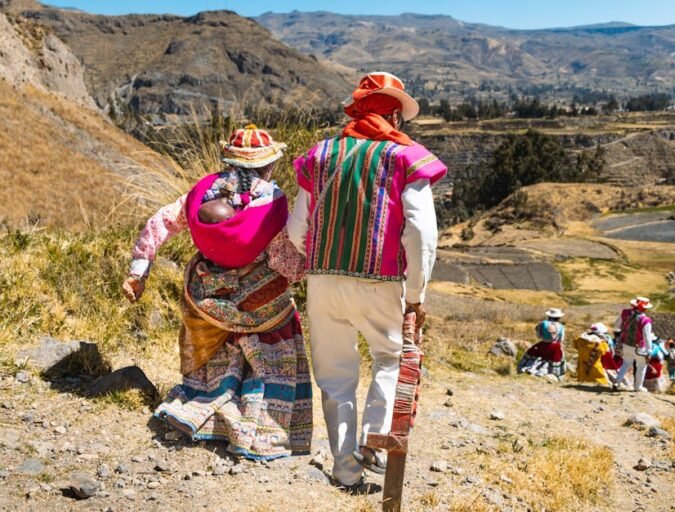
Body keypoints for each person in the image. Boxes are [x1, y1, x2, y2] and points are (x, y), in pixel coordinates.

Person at [287, 71, 447, 491]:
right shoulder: (404, 157)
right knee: (391, 358)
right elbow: (421, 233)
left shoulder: (320, 154)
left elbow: (295, 229)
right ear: (394, 115)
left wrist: (321, 261)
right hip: (381, 281)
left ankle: (345, 468)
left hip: (322, 282)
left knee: (335, 377)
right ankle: (375, 440)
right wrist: (416, 295)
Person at [122, 125, 312, 460]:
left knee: (221, 353)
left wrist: (140, 269)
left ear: (228, 160)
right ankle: (259, 428)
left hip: (207, 293)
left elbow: (161, 222)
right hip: (260, 302)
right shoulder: (272, 204)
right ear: (268, 165)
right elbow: (284, 260)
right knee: (267, 356)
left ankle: (201, 410)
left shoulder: (202, 195)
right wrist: (306, 271)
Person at [613, 296, 656, 392]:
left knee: (626, 363)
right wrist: (649, 350)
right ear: (644, 308)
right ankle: (638, 387)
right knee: (641, 366)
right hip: (639, 347)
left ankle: (617, 381)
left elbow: (616, 324)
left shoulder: (625, 313)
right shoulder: (645, 320)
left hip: (626, 344)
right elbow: (647, 336)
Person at [518, 308, 566, 378]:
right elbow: (561, 339)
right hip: (555, 346)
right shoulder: (561, 326)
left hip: (543, 344)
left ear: (549, 316)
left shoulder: (542, 323)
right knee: (555, 358)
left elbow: (538, 336)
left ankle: (532, 368)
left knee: (537, 355)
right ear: (558, 317)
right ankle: (552, 373)